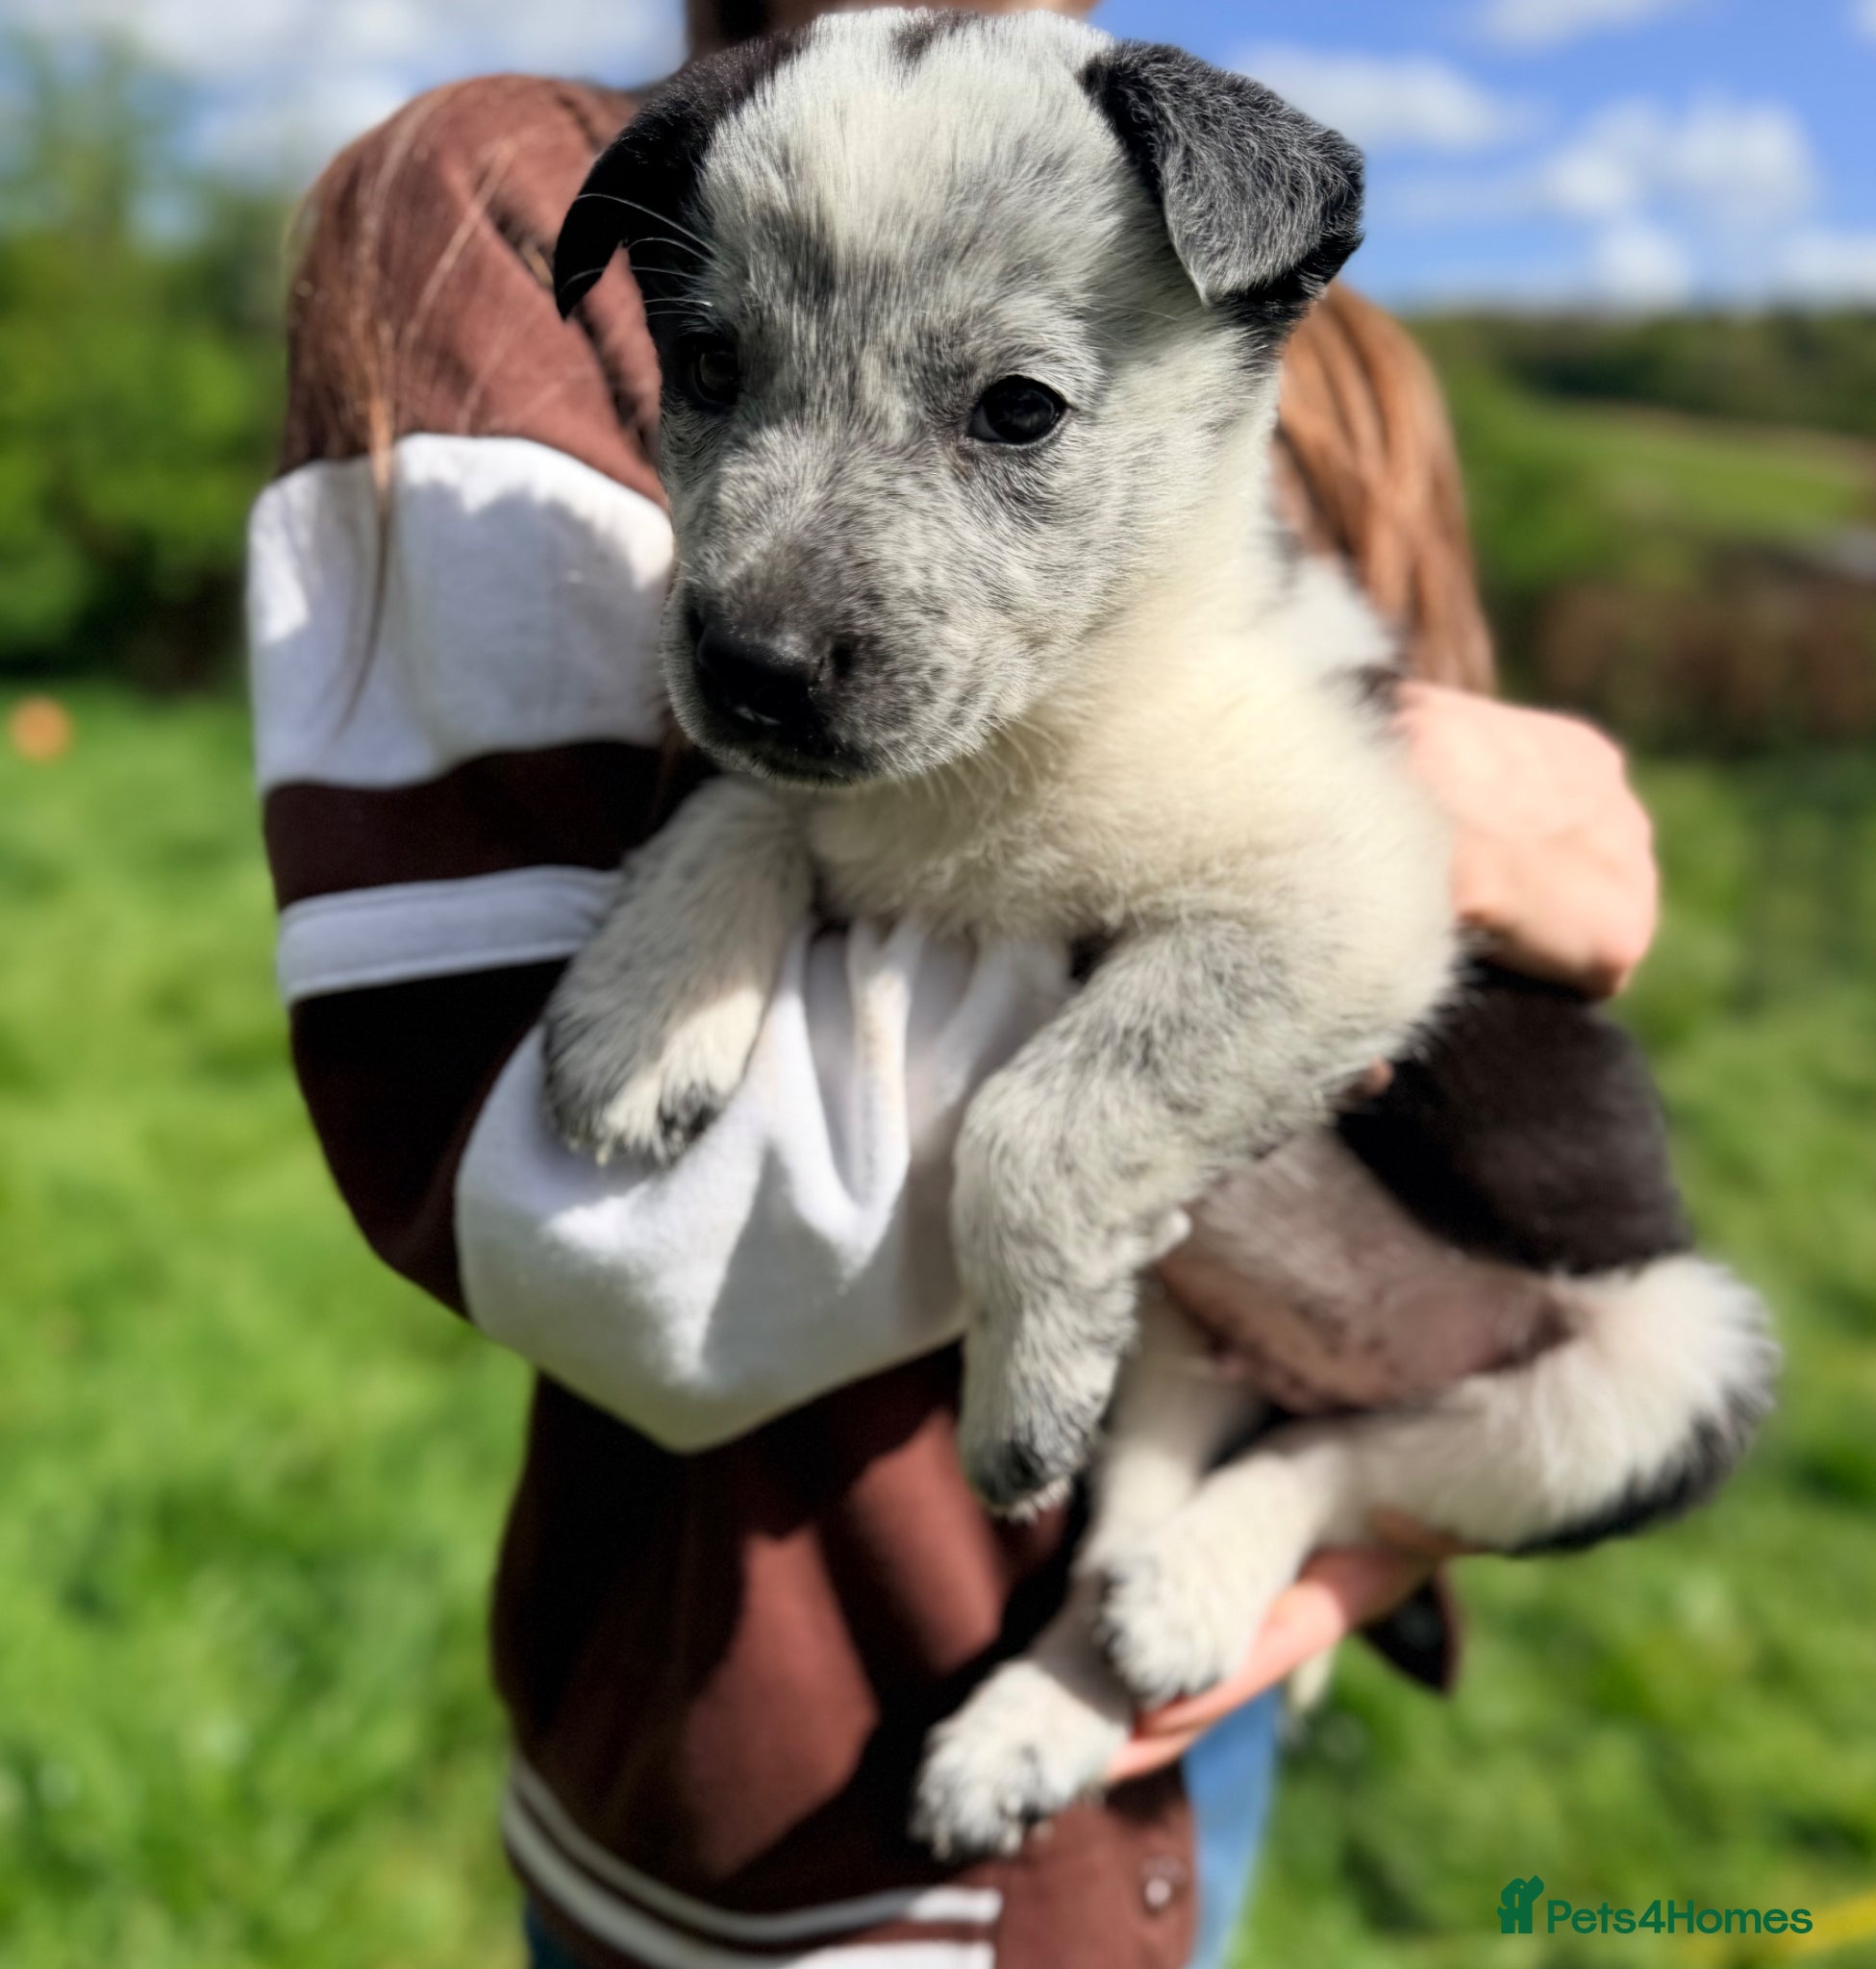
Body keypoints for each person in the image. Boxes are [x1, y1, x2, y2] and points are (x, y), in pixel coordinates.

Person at [248, 2, 1660, 1963]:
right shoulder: (513, 192)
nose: (766, 599)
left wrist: (1328, 1538)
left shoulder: (1324, 343)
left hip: (1191, 1701)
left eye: (1008, 410)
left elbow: (1446, 1008)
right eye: (713, 371)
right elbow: (597, 1231)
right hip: (773, 1791)